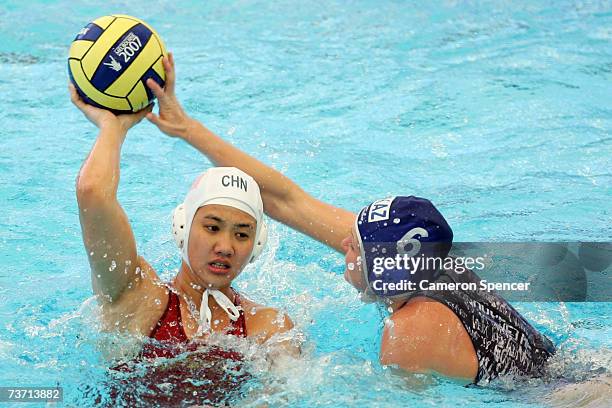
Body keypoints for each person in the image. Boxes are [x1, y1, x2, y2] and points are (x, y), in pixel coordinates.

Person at [144, 53, 556, 385]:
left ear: (385, 268)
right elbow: (286, 199)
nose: (343, 242)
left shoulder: (408, 333)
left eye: (355, 245)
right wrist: (187, 129)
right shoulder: (426, 264)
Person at [70, 84, 298, 404]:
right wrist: (113, 126)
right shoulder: (138, 297)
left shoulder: (269, 327)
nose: (226, 246)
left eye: (242, 234)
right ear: (182, 227)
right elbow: (92, 193)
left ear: (257, 244)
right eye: (212, 227)